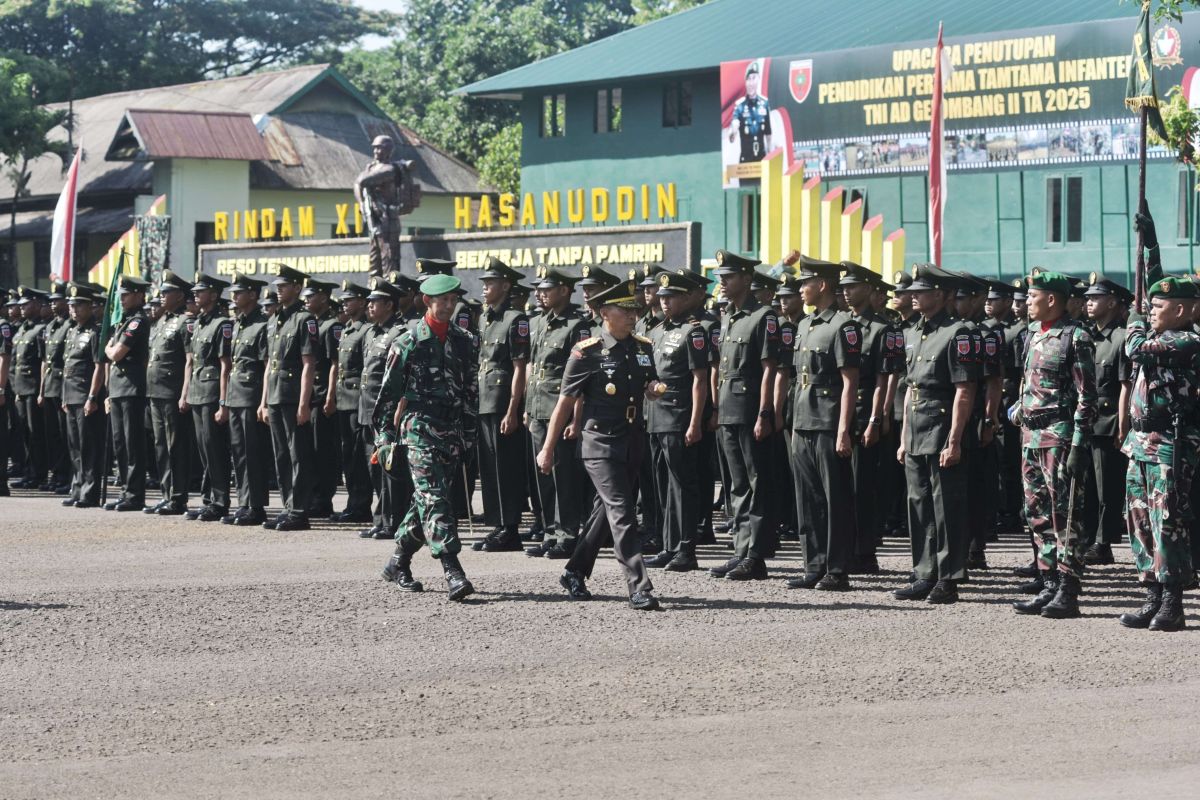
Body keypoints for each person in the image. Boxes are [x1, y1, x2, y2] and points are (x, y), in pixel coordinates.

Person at [537, 278, 667, 610]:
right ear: (605, 312)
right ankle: (639, 586)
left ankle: (574, 571)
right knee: (622, 511)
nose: (632, 314)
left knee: (604, 513)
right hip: (599, 443)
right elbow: (565, 403)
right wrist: (548, 448)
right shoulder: (586, 352)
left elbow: (648, 382)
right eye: (625, 310)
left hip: (632, 438)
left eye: (634, 309)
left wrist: (653, 388)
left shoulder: (642, 347)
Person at [376, 273, 479, 601]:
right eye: (442, 300)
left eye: (453, 300)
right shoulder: (407, 339)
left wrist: (470, 434)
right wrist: (384, 438)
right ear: (427, 301)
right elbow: (388, 394)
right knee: (433, 498)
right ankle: (452, 569)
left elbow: (470, 390)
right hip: (418, 429)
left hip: (451, 431)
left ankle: (398, 561)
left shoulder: (465, 339)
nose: (449, 305)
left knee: (429, 501)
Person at [1009, 270, 1096, 620]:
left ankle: (1068, 589)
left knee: (1065, 514)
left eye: (1033, 296)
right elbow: (1026, 380)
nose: (1027, 302)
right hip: (1030, 436)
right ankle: (1047, 583)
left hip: (1058, 436)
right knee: (1037, 513)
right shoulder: (1031, 333)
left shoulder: (1075, 338)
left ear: (1051, 300)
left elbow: (1087, 396)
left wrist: (1077, 445)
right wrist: (1018, 408)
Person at [892, 265, 978, 605]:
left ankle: (948, 577)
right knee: (918, 503)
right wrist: (902, 438)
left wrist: (955, 440)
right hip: (914, 427)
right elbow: (910, 388)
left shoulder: (958, 332)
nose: (913, 295)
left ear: (941, 295)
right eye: (913, 290)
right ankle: (924, 571)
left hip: (942, 426)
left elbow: (965, 390)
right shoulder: (913, 332)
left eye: (921, 291)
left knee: (946, 505)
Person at [1118, 277, 1199, 632]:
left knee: (1168, 521)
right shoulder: (1159, 337)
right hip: (1141, 441)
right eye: (1149, 307)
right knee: (1138, 518)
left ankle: (1172, 601)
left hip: (1170, 442)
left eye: (1159, 308)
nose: (1151, 313)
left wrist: (1133, 319)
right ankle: (1151, 593)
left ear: (1181, 309)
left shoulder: (1188, 341)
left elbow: (1135, 349)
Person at [786, 257, 861, 590]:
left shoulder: (843, 325)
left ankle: (837, 568)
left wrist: (844, 429)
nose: (801, 288)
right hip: (802, 419)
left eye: (806, 282)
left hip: (828, 422)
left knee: (835, 497)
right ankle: (812, 564)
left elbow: (850, 382)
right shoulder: (805, 325)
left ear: (824, 285)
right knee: (807, 498)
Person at [707, 250, 782, 581]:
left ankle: (756, 555)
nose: (722, 281)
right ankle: (740, 549)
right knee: (736, 483)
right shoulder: (728, 316)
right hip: (728, 410)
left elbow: (770, 370)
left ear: (747, 279)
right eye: (721, 276)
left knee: (757, 482)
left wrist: (765, 413)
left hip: (751, 410)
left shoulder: (764, 316)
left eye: (729, 276)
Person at [524, 267, 592, 560]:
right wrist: (526, 408)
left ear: (565, 290)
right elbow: (532, 367)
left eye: (547, 289)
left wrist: (576, 418)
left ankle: (567, 534)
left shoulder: (577, 325)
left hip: (560, 410)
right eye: (539, 289)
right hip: (538, 407)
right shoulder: (537, 322)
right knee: (544, 474)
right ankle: (550, 532)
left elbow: (580, 377)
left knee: (564, 475)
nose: (541, 294)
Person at [644, 270, 711, 572]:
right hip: (656, 417)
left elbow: (700, 380)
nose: (666, 302)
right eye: (663, 297)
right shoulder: (656, 331)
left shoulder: (693, 332)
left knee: (683, 485)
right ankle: (668, 545)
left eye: (671, 297)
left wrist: (696, 421)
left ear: (686, 298)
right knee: (662, 484)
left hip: (679, 415)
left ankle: (686, 547)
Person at [839, 262, 900, 574]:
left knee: (863, 484)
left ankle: (865, 551)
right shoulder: (841, 324)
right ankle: (844, 546)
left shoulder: (883, 329)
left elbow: (884, 378)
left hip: (864, 411)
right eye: (844, 287)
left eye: (853, 287)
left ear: (870, 290)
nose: (847, 292)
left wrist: (878, 418)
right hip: (838, 413)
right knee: (840, 486)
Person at [472, 257, 531, 552]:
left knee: (506, 467)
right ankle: (497, 525)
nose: (485, 288)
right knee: (489, 467)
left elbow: (520, 368)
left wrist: (513, 409)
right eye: (484, 283)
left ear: (506, 286)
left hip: (502, 402)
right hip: (484, 399)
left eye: (490, 283)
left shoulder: (516, 319)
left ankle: (510, 527)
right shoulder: (484, 318)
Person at [260, 265, 320, 532]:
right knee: (281, 455)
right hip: (274, 395)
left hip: (293, 395)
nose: (278, 289)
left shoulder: (304, 319)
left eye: (284, 285)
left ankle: (299, 510)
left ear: (297, 287)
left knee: (298, 454)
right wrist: (262, 401)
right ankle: (287, 507)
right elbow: (268, 364)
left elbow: (309, 364)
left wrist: (304, 403)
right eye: (277, 285)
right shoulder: (274, 320)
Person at [1081, 274, 1133, 565]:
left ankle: (1103, 543)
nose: (1089, 303)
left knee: (1106, 487)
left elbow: (1125, 386)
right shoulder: (1089, 336)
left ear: (1112, 302)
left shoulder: (1121, 338)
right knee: (1087, 485)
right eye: (1087, 298)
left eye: (1095, 298)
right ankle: (1089, 537)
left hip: (1109, 421)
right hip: (1087, 421)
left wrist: (1123, 426)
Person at [357, 278, 407, 539]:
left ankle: (393, 520)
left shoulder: (399, 332)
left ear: (389, 304)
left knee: (389, 466)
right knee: (373, 467)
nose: (369, 306)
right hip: (367, 408)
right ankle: (380, 518)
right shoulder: (370, 332)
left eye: (375, 302)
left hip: (385, 409)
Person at [183, 274, 233, 521]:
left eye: (201, 291)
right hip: (197, 392)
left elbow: (226, 366)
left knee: (214, 449)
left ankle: (220, 501)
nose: (195, 295)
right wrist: (186, 394)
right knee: (203, 449)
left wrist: (223, 403)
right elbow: (191, 363)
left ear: (213, 295)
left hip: (212, 393)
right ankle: (208, 499)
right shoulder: (199, 323)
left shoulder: (222, 324)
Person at [224, 272, 271, 526]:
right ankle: (243, 502)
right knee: (239, 453)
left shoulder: (262, 325)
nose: (234, 295)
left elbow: (267, 368)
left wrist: (263, 402)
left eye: (239, 292)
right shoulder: (239, 324)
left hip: (251, 396)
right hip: (235, 394)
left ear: (253, 295)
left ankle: (256, 505)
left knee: (253, 453)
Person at [144, 271, 192, 515]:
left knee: (175, 446)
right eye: (161, 292)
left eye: (167, 292)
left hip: (172, 392)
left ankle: (178, 496)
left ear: (180, 295)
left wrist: (184, 393)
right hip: (155, 392)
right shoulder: (161, 321)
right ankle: (166, 493)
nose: (161, 296)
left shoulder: (186, 322)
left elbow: (189, 361)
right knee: (160, 445)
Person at [103, 275, 152, 511]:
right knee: (120, 443)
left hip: (132, 387)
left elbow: (116, 354)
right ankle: (125, 490)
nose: (121, 299)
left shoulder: (138, 321)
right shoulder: (124, 321)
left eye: (126, 295)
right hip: (119, 388)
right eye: (120, 295)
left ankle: (135, 494)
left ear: (139, 296)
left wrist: (108, 348)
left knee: (133, 444)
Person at [298, 278, 344, 519]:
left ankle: (323, 499)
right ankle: (313, 496)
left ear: (324, 298)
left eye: (311, 295)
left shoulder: (332, 326)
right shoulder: (311, 324)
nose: (306, 299)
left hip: (322, 395)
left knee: (322, 451)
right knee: (309, 451)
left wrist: (330, 397)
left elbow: (335, 365)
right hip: (311, 395)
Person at [330, 281, 374, 524]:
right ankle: (353, 503)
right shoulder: (347, 329)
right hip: (344, 399)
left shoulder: (366, 331)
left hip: (358, 399)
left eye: (350, 299)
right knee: (349, 456)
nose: (345, 303)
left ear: (362, 302)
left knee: (359, 456)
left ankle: (361, 505)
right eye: (344, 300)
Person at [61, 283, 107, 508]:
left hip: (86, 396)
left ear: (90, 307)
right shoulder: (72, 331)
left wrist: (92, 397)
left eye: (79, 305)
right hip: (71, 396)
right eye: (71, 306)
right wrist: (64, 397)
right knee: (75, 447)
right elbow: (67, 366)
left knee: (89, 447)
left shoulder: (95, 332)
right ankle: (77, 488)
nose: (74, 310)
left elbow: (99, 367)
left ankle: (90, 492)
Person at [355, 134, 417, 277]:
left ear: (388, 150)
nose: (376, 151)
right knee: (374, 258)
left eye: (379, 148)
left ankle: (388, 290)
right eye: (375, 148)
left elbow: (362, 181)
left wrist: (361, 185)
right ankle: (374, 289)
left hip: (387, 220)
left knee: (389, 257)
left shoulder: (389, 169)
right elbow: (356, 184)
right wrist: (362, 204)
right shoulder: (371, 167)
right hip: (375, 219)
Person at [10, 287, 48, 489]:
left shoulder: (42, 329)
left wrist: (41, 390)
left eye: (26, 305)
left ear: (37, 304)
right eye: (21, 305)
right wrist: (16, 390)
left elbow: (44, 362)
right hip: (21, 389)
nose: (22, 308)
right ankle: (28, 471)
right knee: (24, 433)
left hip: (33, 388)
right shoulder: (23, 329)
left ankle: (39, 473)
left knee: (36, 433)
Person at [39, 282, 71, 493]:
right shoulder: (50, 327)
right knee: (52, 435)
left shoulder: (70, 326)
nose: (52, 304)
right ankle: (57, 474)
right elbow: (44, 361)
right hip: (50, 386)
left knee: (65, 434)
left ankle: (67, 476)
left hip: (63, 386)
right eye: (50, 301)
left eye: (56, 301)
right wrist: (41, 391)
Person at [729, 60, 772, 163]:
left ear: (758, 79)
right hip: (746, 163)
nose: (751, 83)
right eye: (748, 79)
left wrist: (770, 154)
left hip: (762, 161)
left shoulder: (764, 104)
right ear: (745, 82)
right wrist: (733, 132)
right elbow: (732, 138)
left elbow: (768, 132)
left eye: (754, 78)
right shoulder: (739, 106)